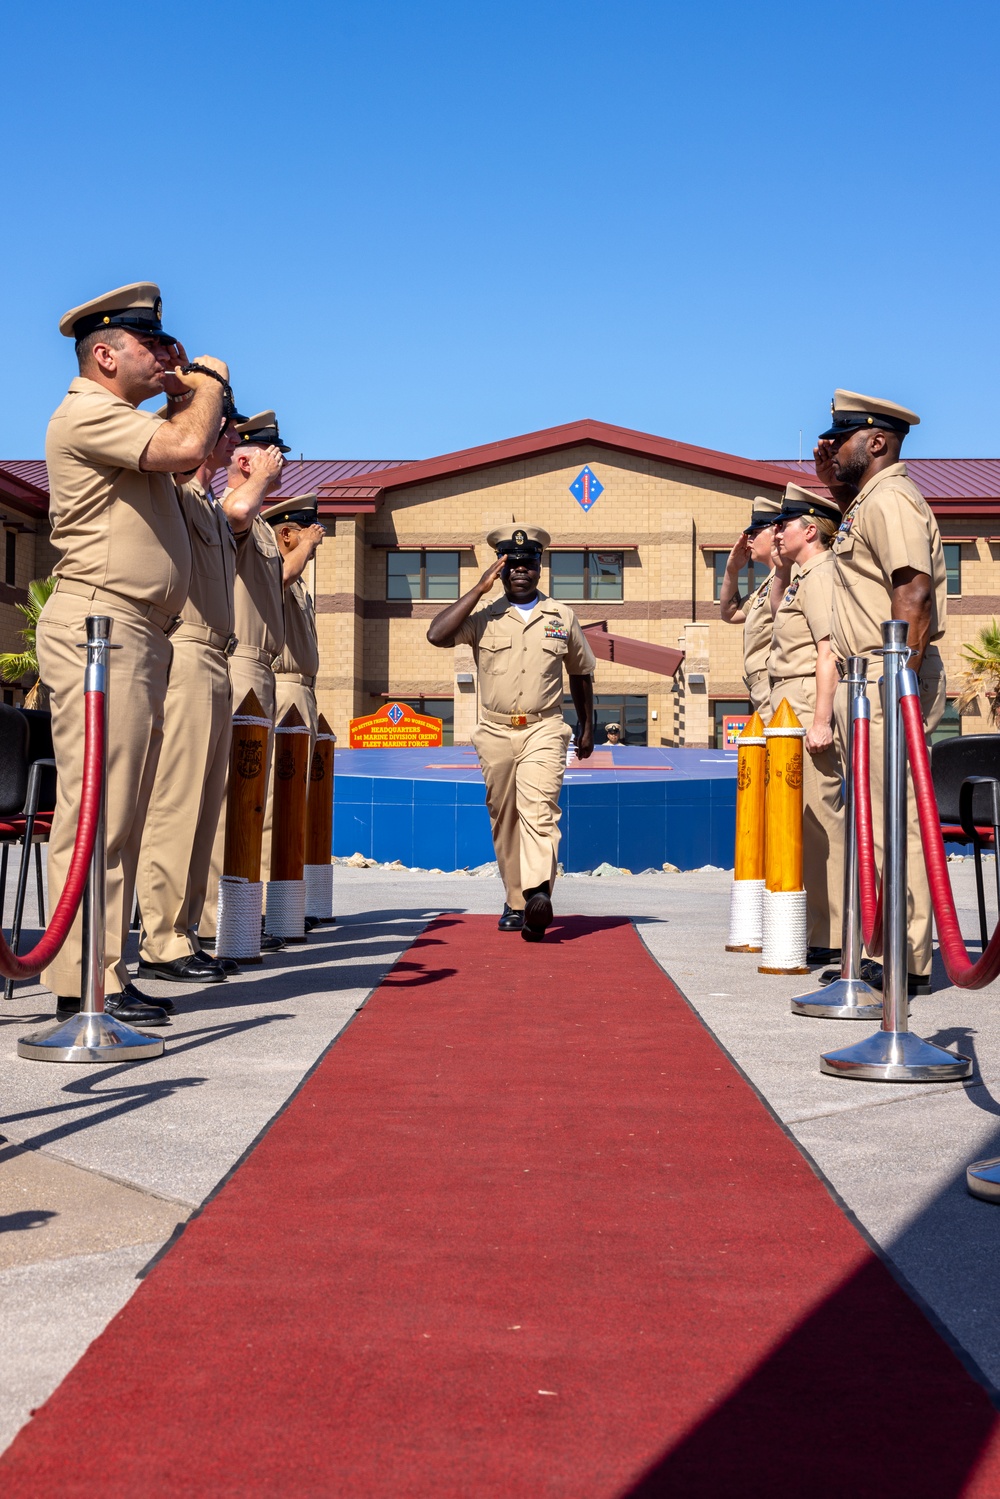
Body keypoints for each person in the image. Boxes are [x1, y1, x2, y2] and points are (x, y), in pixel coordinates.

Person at [39, 282, 231, 1024]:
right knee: (98, 812)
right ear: (105, 353)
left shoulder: (119, 419)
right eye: (149, 344)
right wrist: (207, 378)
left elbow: (181, 455)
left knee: (122, 813)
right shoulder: (87, 411)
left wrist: (178, 387)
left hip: (134, 631)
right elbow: (187, 445)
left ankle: (103, 971)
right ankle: (80, 984)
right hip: (100, 627)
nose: (163, 355)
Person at [816, 389, 947, 996]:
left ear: (875, 441)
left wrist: (901, 680)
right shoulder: (866, 500)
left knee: (899, 825)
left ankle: (905, 957)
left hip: (886, 673)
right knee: (874, 824)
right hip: (866, 676)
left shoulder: (891, 498)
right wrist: (834, 482)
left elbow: (912, 593)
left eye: (840, 438)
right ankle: (879, 948)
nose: (829, 447)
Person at [427, 525, 596, 941]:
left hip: (544, 727)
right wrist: (479, 588)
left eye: (528, 563)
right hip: (495, 731)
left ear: (540, 568)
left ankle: (538, 892)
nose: (521, 569)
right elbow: (436, 634)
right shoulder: (483, 619)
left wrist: (587, 727)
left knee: (539, 812)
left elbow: (581, 673)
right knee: (504, 818)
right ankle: (516, 900)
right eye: (511, 564)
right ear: (502, 571)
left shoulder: (562, 617)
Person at [134, 410, 243, 984]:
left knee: (204, 808)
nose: (233, 441)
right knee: (175, 806)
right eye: (228, 429)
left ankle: (185, 929)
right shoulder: (177, 492)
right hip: (189, 650)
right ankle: (161, 939)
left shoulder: (207, 507)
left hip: (218, 655)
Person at [198, 412, 287, 950]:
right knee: (229, 797)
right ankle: (214, 919)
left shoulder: (261, 522)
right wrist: (254, 478)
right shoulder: (234, 508)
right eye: (268, 452)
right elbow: (234, 512)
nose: (280, 462)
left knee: (258, 798)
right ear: (244, 457)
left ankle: (241, 915)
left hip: (262, 665)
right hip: (235, 660)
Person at [768, 486, 844, 965]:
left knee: (822, 820)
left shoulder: (820, 576)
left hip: (806, 697)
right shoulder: (800, 577)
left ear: (810, 530)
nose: (777, 532)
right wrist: (779, 570)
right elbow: (781, 619)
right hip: (789, 698)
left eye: (785, 525)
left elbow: (828, 649)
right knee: (804, 821)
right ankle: (823, 927)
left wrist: (821, 720)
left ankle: (836, 933)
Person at [259, 493, 325, 889]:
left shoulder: (300, 586)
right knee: (273, 797)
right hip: (283, 690)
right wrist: (307, 547)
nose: (315, 541)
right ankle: (266, 896)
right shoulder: (278, 574)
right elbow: (279, 576)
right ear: (286, 535)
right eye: (307, 532)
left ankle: (287, 895)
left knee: (296, 800)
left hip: (303, 691)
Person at [719, 497, 781, 722]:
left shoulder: (790, 576)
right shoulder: (769, 582)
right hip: (762, 688)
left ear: (776, 531)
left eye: (756, 532)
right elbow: (730, 613)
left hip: (775, 684)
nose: (749, 539)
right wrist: (731, 570)